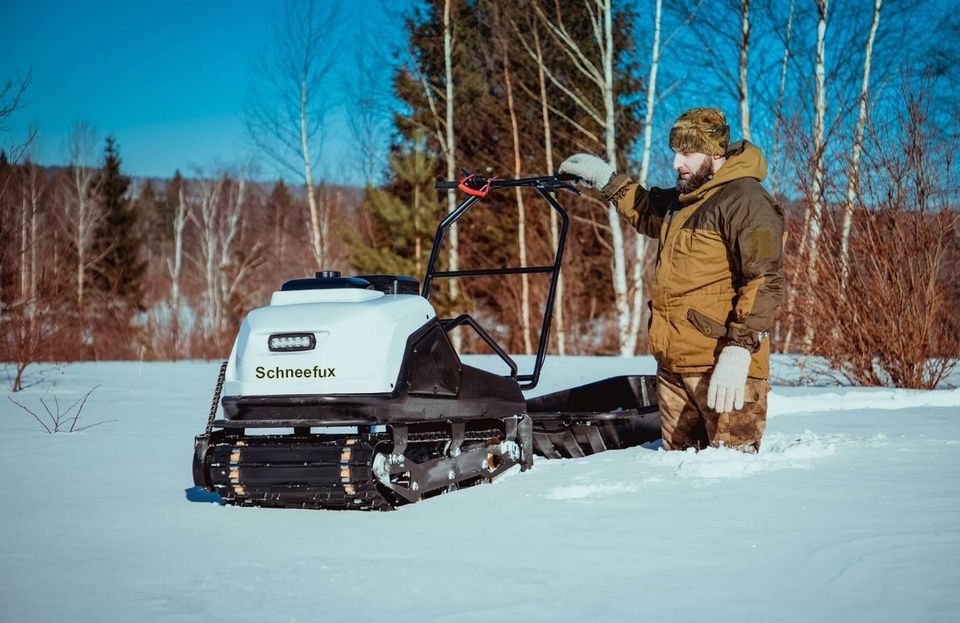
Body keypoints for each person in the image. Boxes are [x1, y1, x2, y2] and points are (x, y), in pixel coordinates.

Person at [559, 108, 784, 453]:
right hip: (675, 370)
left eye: (687, 153)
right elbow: (646, 210)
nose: (677, 162)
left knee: (734, 482)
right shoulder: (685, 200)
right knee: (676, 489)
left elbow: (764, 280)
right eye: (675, 152)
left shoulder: (748, 202)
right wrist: (606, 179)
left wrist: (740, 350)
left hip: (723, 369)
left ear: (714, 152)